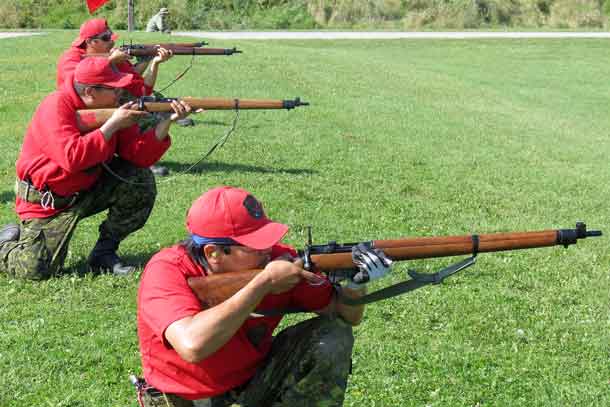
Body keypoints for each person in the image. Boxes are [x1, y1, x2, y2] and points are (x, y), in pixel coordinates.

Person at [136, 186, 392, 406]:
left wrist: (355, 284)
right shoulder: (166, 271)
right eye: (255, 245)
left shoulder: (278, 261)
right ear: (214, 253)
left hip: (253, 384)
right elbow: (193, 345)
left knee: (333, 335)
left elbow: (343, 316)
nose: (268, 250)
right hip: (185, 399)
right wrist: (263, 283)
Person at [0, 57, 194, 280]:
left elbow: (138, 156)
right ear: (91, 91)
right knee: (36, 269)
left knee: (138, 179)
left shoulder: (109, 107)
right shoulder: (55, 106)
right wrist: (112, 125)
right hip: (48, 202)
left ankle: (104, 252)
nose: (121, 93)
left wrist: (167, 121)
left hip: (85, 189)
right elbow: (72, 158)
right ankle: (4, 244)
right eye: (114, 88)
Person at [57, 18, 174, 176]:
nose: (112, 42)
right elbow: (80, 82)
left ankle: (136, 156)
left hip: (108, 101)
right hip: (82, 109)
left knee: (140, 106)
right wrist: (109, 61)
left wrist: (152, 62)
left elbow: (140, 89)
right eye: (106, 39)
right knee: (137, 111)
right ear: (91, 42)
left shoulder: (113, 56)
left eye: (111, 37)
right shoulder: (71, 58)